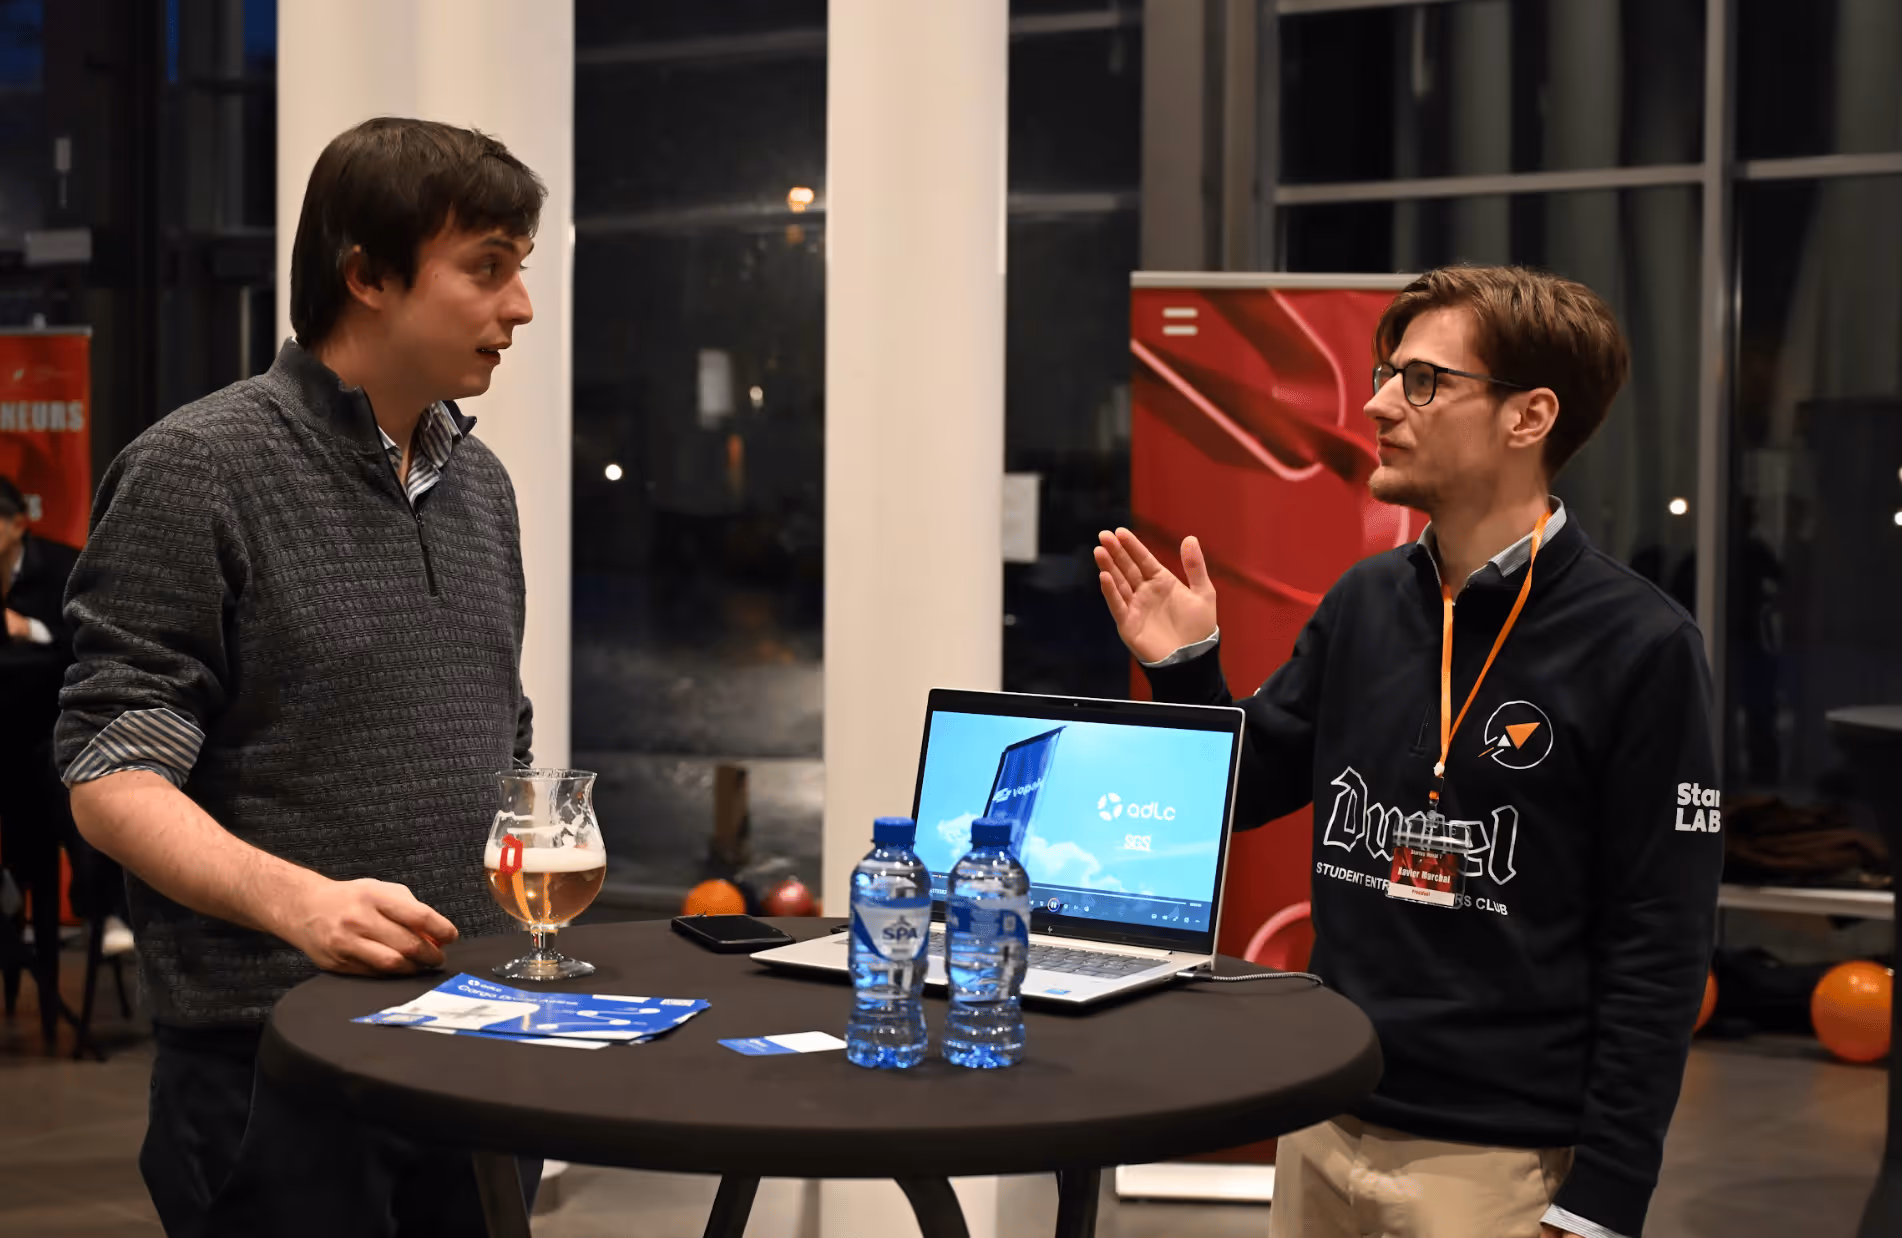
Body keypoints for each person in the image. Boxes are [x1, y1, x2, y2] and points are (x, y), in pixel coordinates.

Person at [1096, 265, 1721, 1238]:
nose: (1379, 402)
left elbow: (1661, 945)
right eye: (1387, 372)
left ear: (1530, 416)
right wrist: (1186, 668)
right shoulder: (1363, 602)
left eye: (1423, 380)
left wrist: (1602, 1198)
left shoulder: (1641, 645)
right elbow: (1250, 784)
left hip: (1496, 1162)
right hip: (1323, 1121)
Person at [57, 117, 543, 1237]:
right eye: (486, 269)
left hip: (472, 1042)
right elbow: (108, 772)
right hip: (272, 1064)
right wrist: (301, 902)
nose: (519, 307)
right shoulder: (197, 469)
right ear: (365, 275)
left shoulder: (485, 487)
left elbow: (496, 738)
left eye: (519, 271)